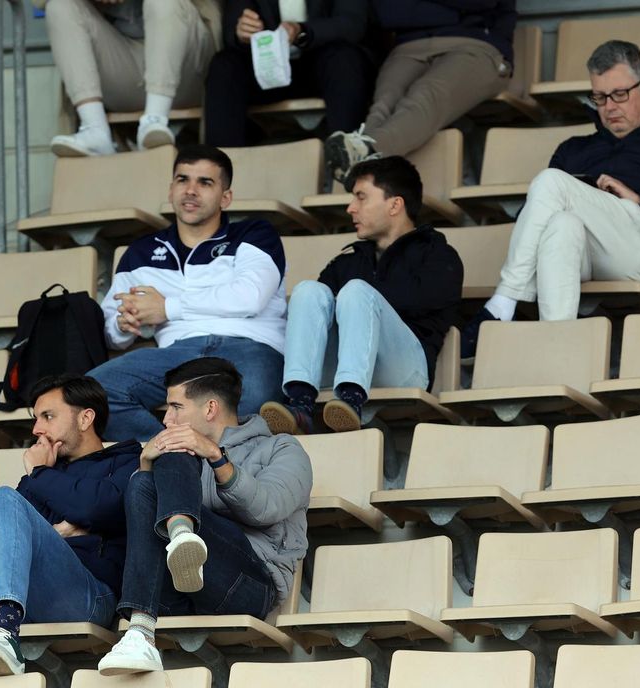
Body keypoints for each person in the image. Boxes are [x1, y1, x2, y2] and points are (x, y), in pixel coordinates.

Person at [462, 40, 640, 355]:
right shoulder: (573, 149)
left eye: (620, 94)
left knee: (552, 182)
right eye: (599, 97)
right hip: (584, 250)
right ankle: (556, 356)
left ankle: (503, 303)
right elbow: (536, 215)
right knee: (561, 225)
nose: (609, 107)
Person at [0, 375, 141, 675]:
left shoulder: (127, 462)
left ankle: (7, 630)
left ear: (86, 418)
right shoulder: (40, 477)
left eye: (48, 416)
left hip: (87, 598)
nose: (36, 430)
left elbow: (97, 508)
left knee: (6, 498)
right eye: (36, 419)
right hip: (25, 597)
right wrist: (53, 532)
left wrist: (41, 474)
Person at [97, 357, 310, 675]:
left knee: (175, 456)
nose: (167, 420)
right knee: (149, 476)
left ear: (210, 408)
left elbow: (267, 508)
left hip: (247, 587)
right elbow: (139, 527)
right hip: (176, 589)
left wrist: (214, 455)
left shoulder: (282, 448)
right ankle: (141, 630)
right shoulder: (174, 450)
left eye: (175, 407)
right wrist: (145, 464)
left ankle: (182, 540)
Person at [89, 145, 287, 442]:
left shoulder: (254, 234)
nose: (191, 190)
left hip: (251, 346)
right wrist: (123, 326)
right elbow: (111, 330)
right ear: (171, 190)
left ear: (226, 197)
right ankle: (177, 452)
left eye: (205, 182)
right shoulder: (140, 251)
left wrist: (167, 308)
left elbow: (249, 297)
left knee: (253, 401)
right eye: (183, 180)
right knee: (94, 394)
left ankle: (214, 466)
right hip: (178, 353)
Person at [262, 155, 462, 435]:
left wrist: (362, 295)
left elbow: (426, 301)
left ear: (395, 204)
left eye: (361, 197)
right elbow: (318, 320)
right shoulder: (349, 259)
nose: (350, 208)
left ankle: (351, 400)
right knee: (308, 291)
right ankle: (300, 403)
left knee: (356, 290)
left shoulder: (437, 255)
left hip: (405, 371)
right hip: (343, 365)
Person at [324, 0, 516, 186]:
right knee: (383, 105)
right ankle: (364, 165)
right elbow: (387, 11)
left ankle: (366, 154)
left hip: (477, 43)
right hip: (408, 45)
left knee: (426, 93)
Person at [41, 0, 221, 157]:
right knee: (59, 5)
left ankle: (154, 121)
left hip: (188, 68)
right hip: (124, 64)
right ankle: (94, 129)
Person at [203, 0, 376, 148]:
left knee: (345, 60)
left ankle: (348, 163)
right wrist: (242, 32)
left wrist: (301, 31)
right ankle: (219, 172)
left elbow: (352, 24)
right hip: (267, 68)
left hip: (325, 64)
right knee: (224, 66)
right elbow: (231, 31)